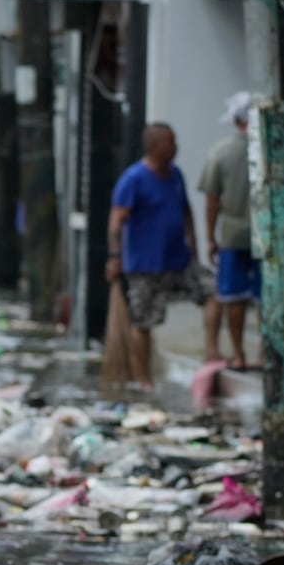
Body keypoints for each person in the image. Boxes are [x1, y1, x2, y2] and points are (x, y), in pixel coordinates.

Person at [106, 123, 211, 392]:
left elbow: (186, 210)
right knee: (143, 322)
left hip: (178, 261)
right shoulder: (134, 179)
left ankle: (212, 352)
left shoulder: (176, 175)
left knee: (214, 293)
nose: (176, 147)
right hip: (145, 266)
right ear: (155, 146)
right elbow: (117, 221)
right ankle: (144, 380)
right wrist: (115, 257)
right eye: (170, 142)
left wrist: (194, 248)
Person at [199, 91, 260, 370]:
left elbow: (212, 201)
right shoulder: (272, 148)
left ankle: (238, 354)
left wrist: (211, 238)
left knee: (235, 298)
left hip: (233, 236)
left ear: (237, 120)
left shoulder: (221, 152)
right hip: (268, 237)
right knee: (266, 297)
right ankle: (266, 354)